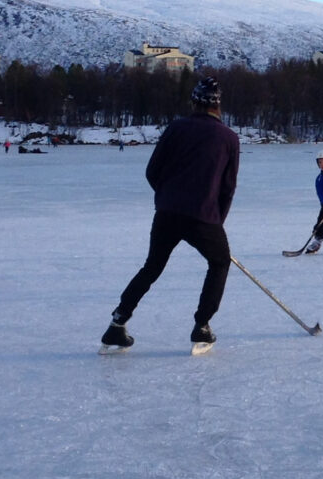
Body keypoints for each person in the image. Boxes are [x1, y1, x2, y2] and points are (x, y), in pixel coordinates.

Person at [101, 77, 240, 352]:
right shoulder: (229, 138)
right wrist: (216, 220)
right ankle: (202, 326)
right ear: (218, 106)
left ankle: (118, 323)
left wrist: (166, 198)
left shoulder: (176, 128)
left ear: (194, 103)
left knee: (152, 267)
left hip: (167, 213)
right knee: (220, 262)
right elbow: (227, 188)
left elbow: (152, 171)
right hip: (203, 217)